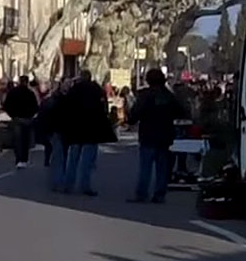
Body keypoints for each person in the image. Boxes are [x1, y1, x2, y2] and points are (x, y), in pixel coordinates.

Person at [127, 68, 189, 203]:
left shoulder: (145, 95)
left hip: (148, 135)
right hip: (165, 135)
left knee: (145, 167)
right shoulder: (168, 96)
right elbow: (180, 111)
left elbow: (135, 113)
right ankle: (159, 194)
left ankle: (142, 194)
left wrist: (131, 119)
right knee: (162, 168)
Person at [59, 69, 112, 196]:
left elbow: (67, 107)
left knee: (73, 157)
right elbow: (104, 108)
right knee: (87, 160)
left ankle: (68, 184)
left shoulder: (74, 89)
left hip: (76, 127)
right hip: (92, 128)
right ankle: (85, 186)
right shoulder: (96, 89)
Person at [3, 75, 40, 169]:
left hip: (17, 118)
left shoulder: (13, 92)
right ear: (27, 82)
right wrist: (31, 115)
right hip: (27, 118)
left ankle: (19, 159)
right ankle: (25, 159)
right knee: (26, 140)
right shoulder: (30, 93)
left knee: (18, 140)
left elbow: (7, 105)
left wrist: (12, 115)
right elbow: (35, 106)